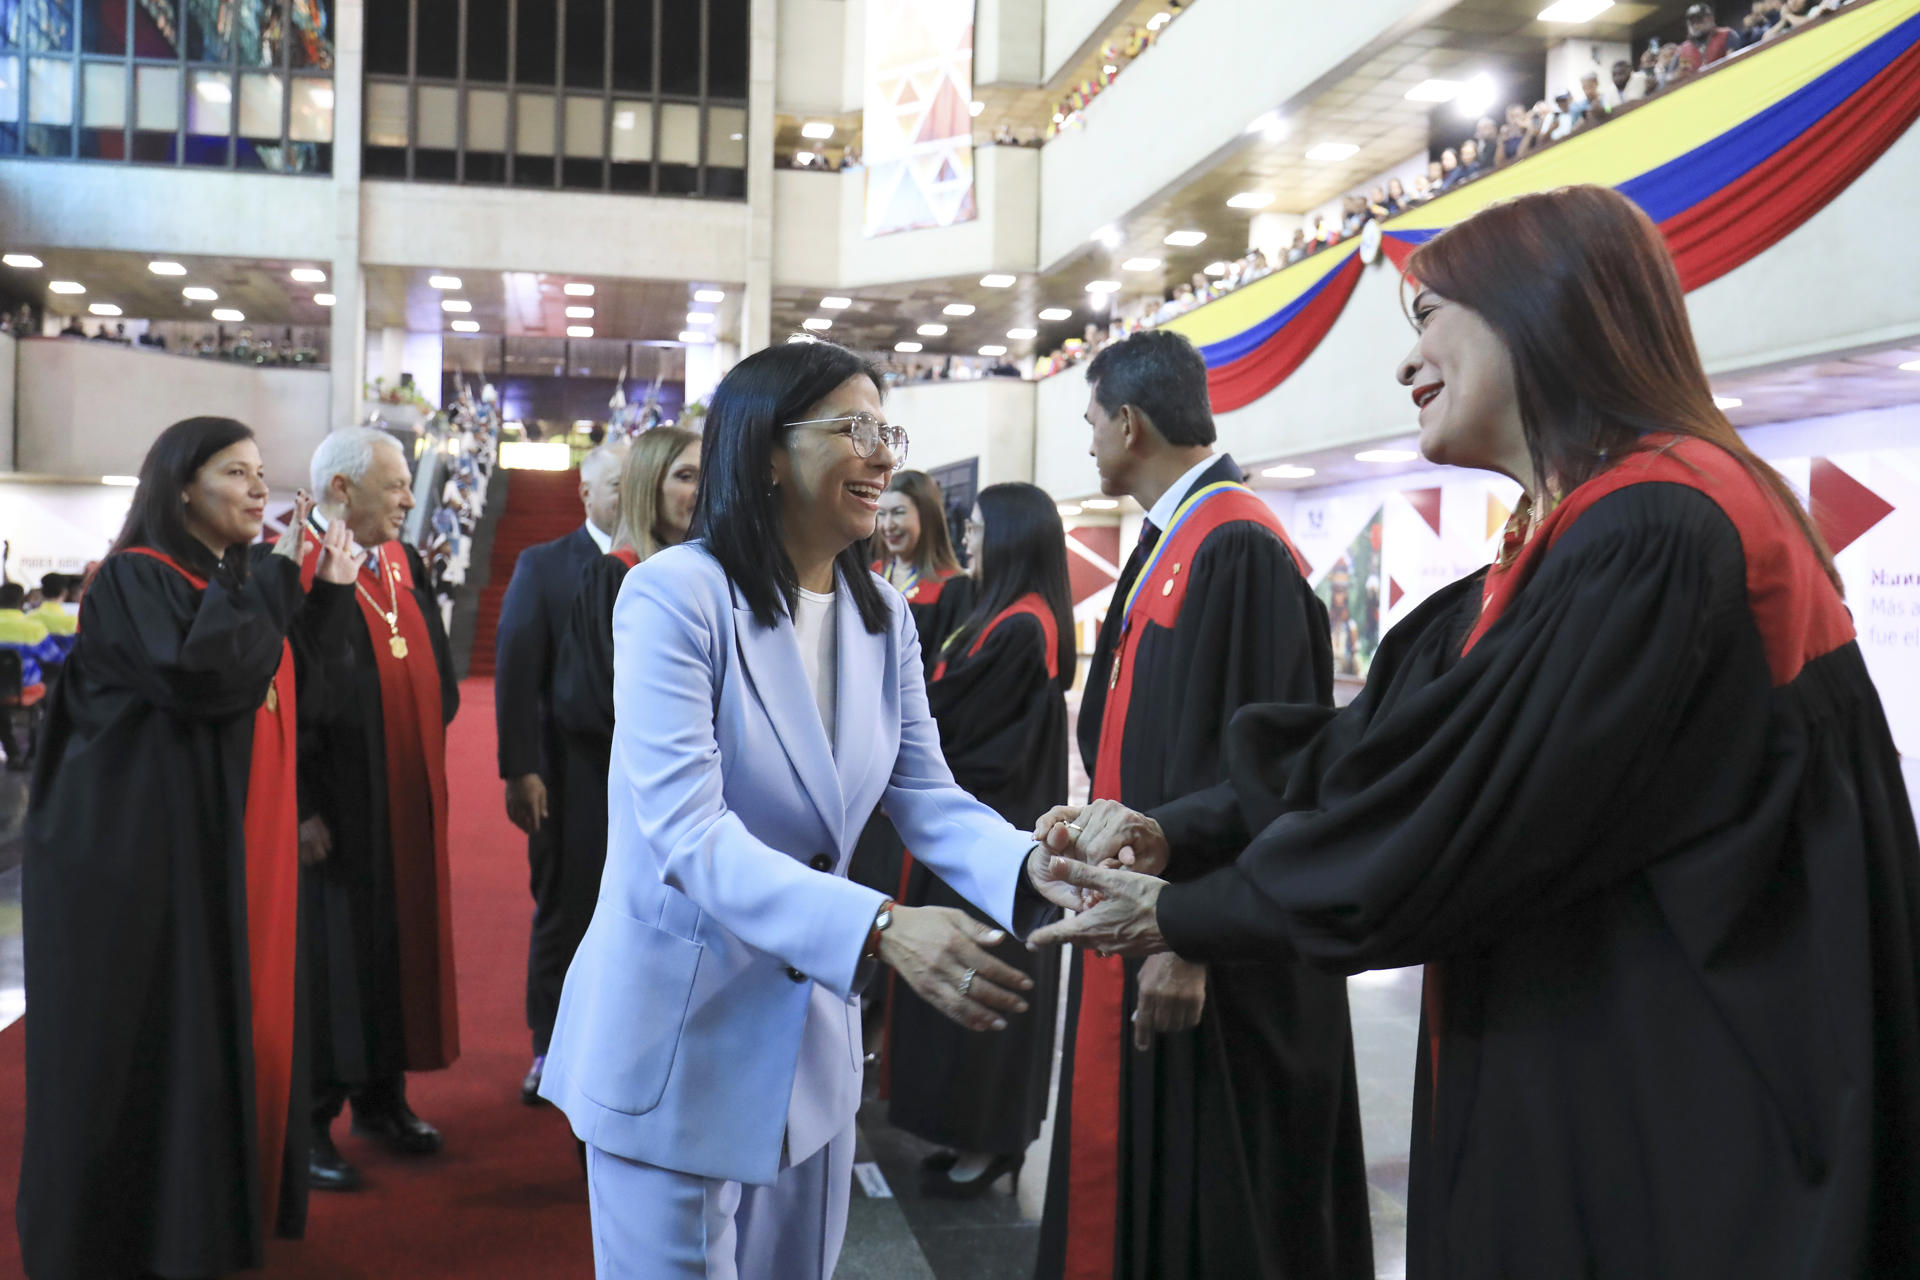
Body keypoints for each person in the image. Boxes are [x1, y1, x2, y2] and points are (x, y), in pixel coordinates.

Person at [1030, 186, 1920, 1279]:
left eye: (1428, 318)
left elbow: (1466, 816)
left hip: (1678, 1096)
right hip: (1582, 1046)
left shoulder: (1662, 523)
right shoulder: (1577, 528)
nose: (1407, 365)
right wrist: (1179, 831)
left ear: (1540, 309)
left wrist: (1194, 911)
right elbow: (1394, 744)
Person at [537, 339, 1086, 1278]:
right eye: (853, 429)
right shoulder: (675, 596)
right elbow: (689, 833)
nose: (882, 455)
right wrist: (878, 925)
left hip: (808, 1045)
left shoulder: (882, 613)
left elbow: (925, 793)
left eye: (887, 430)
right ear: (764, 452)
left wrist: (1040, 866)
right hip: (677, 1032)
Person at [1035, 329, 1371, 1280]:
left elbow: (1278, 774)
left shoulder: (1239, 546)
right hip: (1156, 913)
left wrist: (1190, 939)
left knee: (1217, 1212)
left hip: (1212, 954)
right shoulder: (1180, 540)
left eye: (1094, 422)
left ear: (1131, 423)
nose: (1091, 443)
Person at [19, 416, 361, 1277]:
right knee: (135, 1055)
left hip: (199, 858)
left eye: (261, 474)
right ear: (180, 487)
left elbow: (299, 698)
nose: (259, 488)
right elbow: (201, 673)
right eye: (236, 473)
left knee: (192, 1051)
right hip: (128, 872)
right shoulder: (135, 578)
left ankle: (190, 1229)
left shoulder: (223, 581)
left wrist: (327, 597)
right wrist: (287, 573)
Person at [886, 483, 1074, 1199]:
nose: (968, 541)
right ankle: (967, 1131)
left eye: (979, 529)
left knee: (984, 975)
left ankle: (990, 1139)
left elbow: (968, 733)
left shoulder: (1023, 628)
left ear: (1014, 537)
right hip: (972, 821)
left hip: (992, 828)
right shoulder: (997, 614)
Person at [297, 426, 461, 1192]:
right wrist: (301, 807)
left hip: (405, 793)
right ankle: (308, 1122)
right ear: (342, 490)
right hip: (337, 810)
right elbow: (288, 703)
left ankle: (382, 1099)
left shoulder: (400, 561)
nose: (407, 496)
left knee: (397, 946)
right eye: (395, 485)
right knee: (336, 963)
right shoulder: (300, 571)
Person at [548, 426, 702, 1062]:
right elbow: (589, 703)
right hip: (629, 802)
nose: (702, 489)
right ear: (649, 485)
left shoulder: (707, 574)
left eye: (705, 475)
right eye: (685, 475)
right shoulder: (615, 577)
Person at [493, 436, 630, 1103]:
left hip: (642, 780)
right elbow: (517, 675)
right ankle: (549, 1044)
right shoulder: (544, 565)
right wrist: (520, 770)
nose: (629, 497)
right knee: (564, 911)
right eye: (616, 485)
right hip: (568, 779)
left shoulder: (671, 564)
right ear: (585, 493)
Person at [873, 469, 974, 677]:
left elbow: (948, 665)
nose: (887, 525)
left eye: (899, 512)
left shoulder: (954, 586)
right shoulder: (871, 575)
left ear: (927, 517)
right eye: (881, 514)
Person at [0, 582, 61, 769]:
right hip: (23, 691)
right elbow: (56, 657)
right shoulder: (33, 627)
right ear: (22, 603)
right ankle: (34, 754)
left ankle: (12, 752)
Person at [1679, 2, 1737, 68]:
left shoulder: (1726, 34)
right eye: (1692, 22)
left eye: (1699, 19)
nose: (1695, 25)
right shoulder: (1683, 49)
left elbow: (1733, 62)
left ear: (1711, 18)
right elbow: (1675, 75)